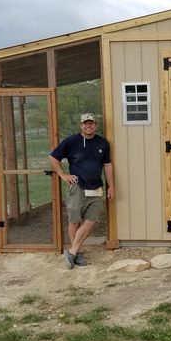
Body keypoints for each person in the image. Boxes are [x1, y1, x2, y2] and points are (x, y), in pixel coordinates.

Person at [49, 113, 114, 269]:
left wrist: (112, 185)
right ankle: (76, 253)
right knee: (74, 220)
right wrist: (63, 175)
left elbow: (107, 165)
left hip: (96, 187)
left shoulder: (102, 143)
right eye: (85, 123)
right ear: (81, 125)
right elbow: (53, 157)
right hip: (77, 187)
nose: (88, 126)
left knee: (91, 221)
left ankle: (72, 251)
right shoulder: (72, 141)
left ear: (95, 125)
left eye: (91, 123)